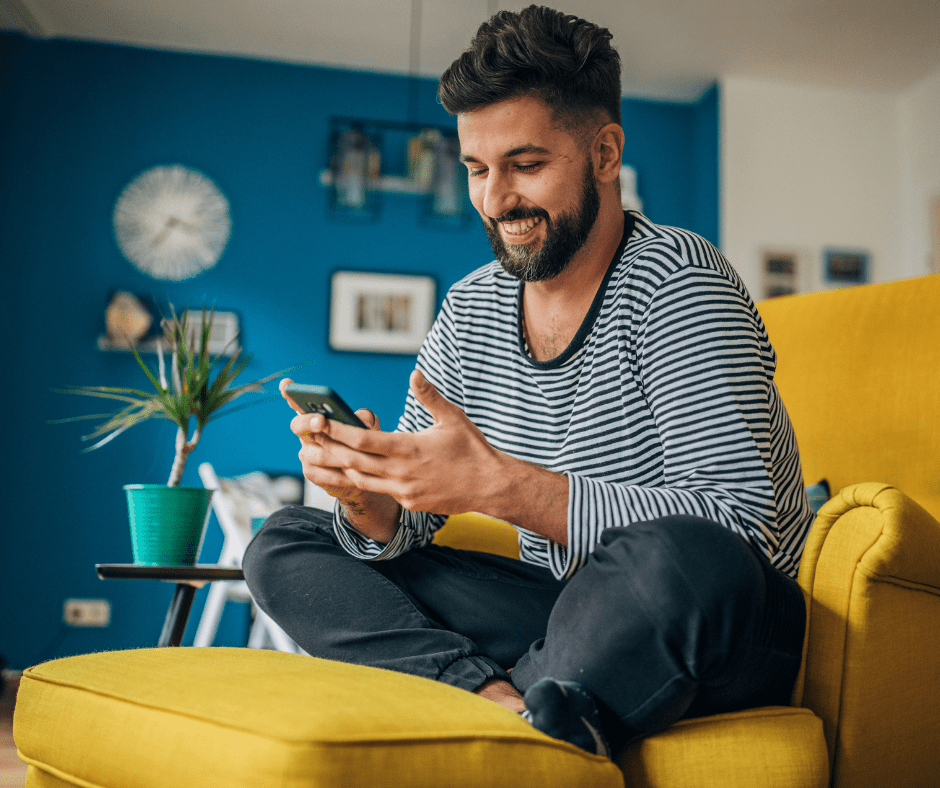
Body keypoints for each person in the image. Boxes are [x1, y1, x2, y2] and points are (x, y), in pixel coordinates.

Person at [244, 4, 812, 758]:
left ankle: (536, 699)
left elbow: (742, 528)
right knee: (287, 541)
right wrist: (370, 498)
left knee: (680, 554)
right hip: (568, 609)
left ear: (605, 153)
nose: (494, 199)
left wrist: (502, 488)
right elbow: (413, 518)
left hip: (718, 615)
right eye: (477, 169)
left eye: (526, 165)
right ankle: (502, 702)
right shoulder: (473, 307)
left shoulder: (681, 281)